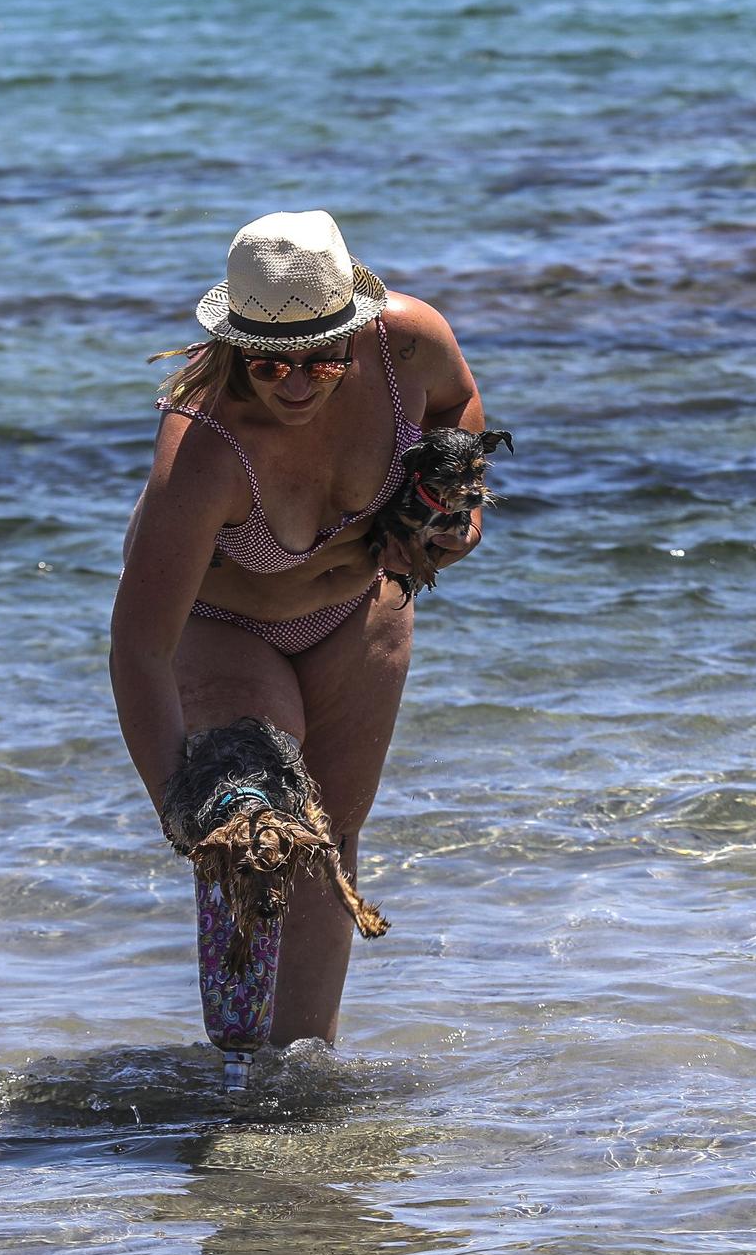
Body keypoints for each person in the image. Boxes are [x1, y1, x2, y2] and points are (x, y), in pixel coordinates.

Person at [112, 210, 485, 1044]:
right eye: (272, 363)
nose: (297, 384)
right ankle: (236, 1077)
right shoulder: (203, 446)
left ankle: (302, 1083)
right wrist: (179, 806)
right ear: (238, 348)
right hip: (221, 624)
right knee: (257, 833)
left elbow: (460, 407)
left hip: (360, 611)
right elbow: (139, 646)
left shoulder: (408, 346)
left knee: (329, 841)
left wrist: (451, 512)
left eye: (323, 359)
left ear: (357, 331)